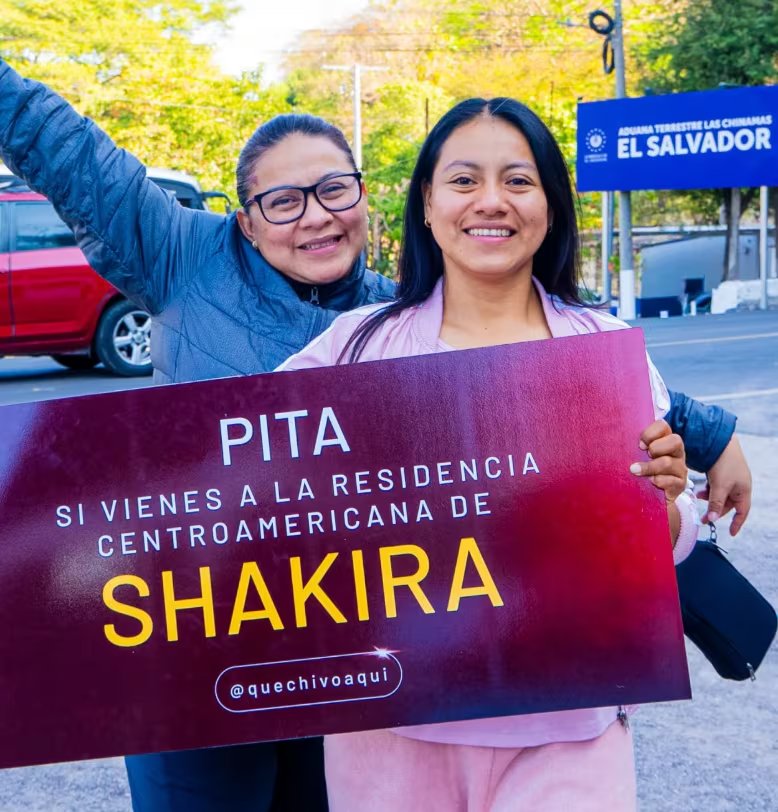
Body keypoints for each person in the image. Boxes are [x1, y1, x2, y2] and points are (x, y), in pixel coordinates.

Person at [0, 57, 751, 808]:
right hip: (210, 645)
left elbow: (552, 380)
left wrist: (704, 441)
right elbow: (57, 142)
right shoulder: (190, 259)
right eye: (284, 200)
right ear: (246, 217)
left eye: (334, 190)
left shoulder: (394, 313)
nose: (317, 215)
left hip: (368, 663)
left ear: (368, 200)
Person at [278, 96, 701, 810]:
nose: (491, 202)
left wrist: (665, 503)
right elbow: (254, 491)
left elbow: (670, 543)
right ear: (427, 202)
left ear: (551, 204)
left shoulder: (601, 351)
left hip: (571, 726)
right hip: (393, 729)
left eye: (519, 180)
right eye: (465, 180)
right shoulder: (354, 349)